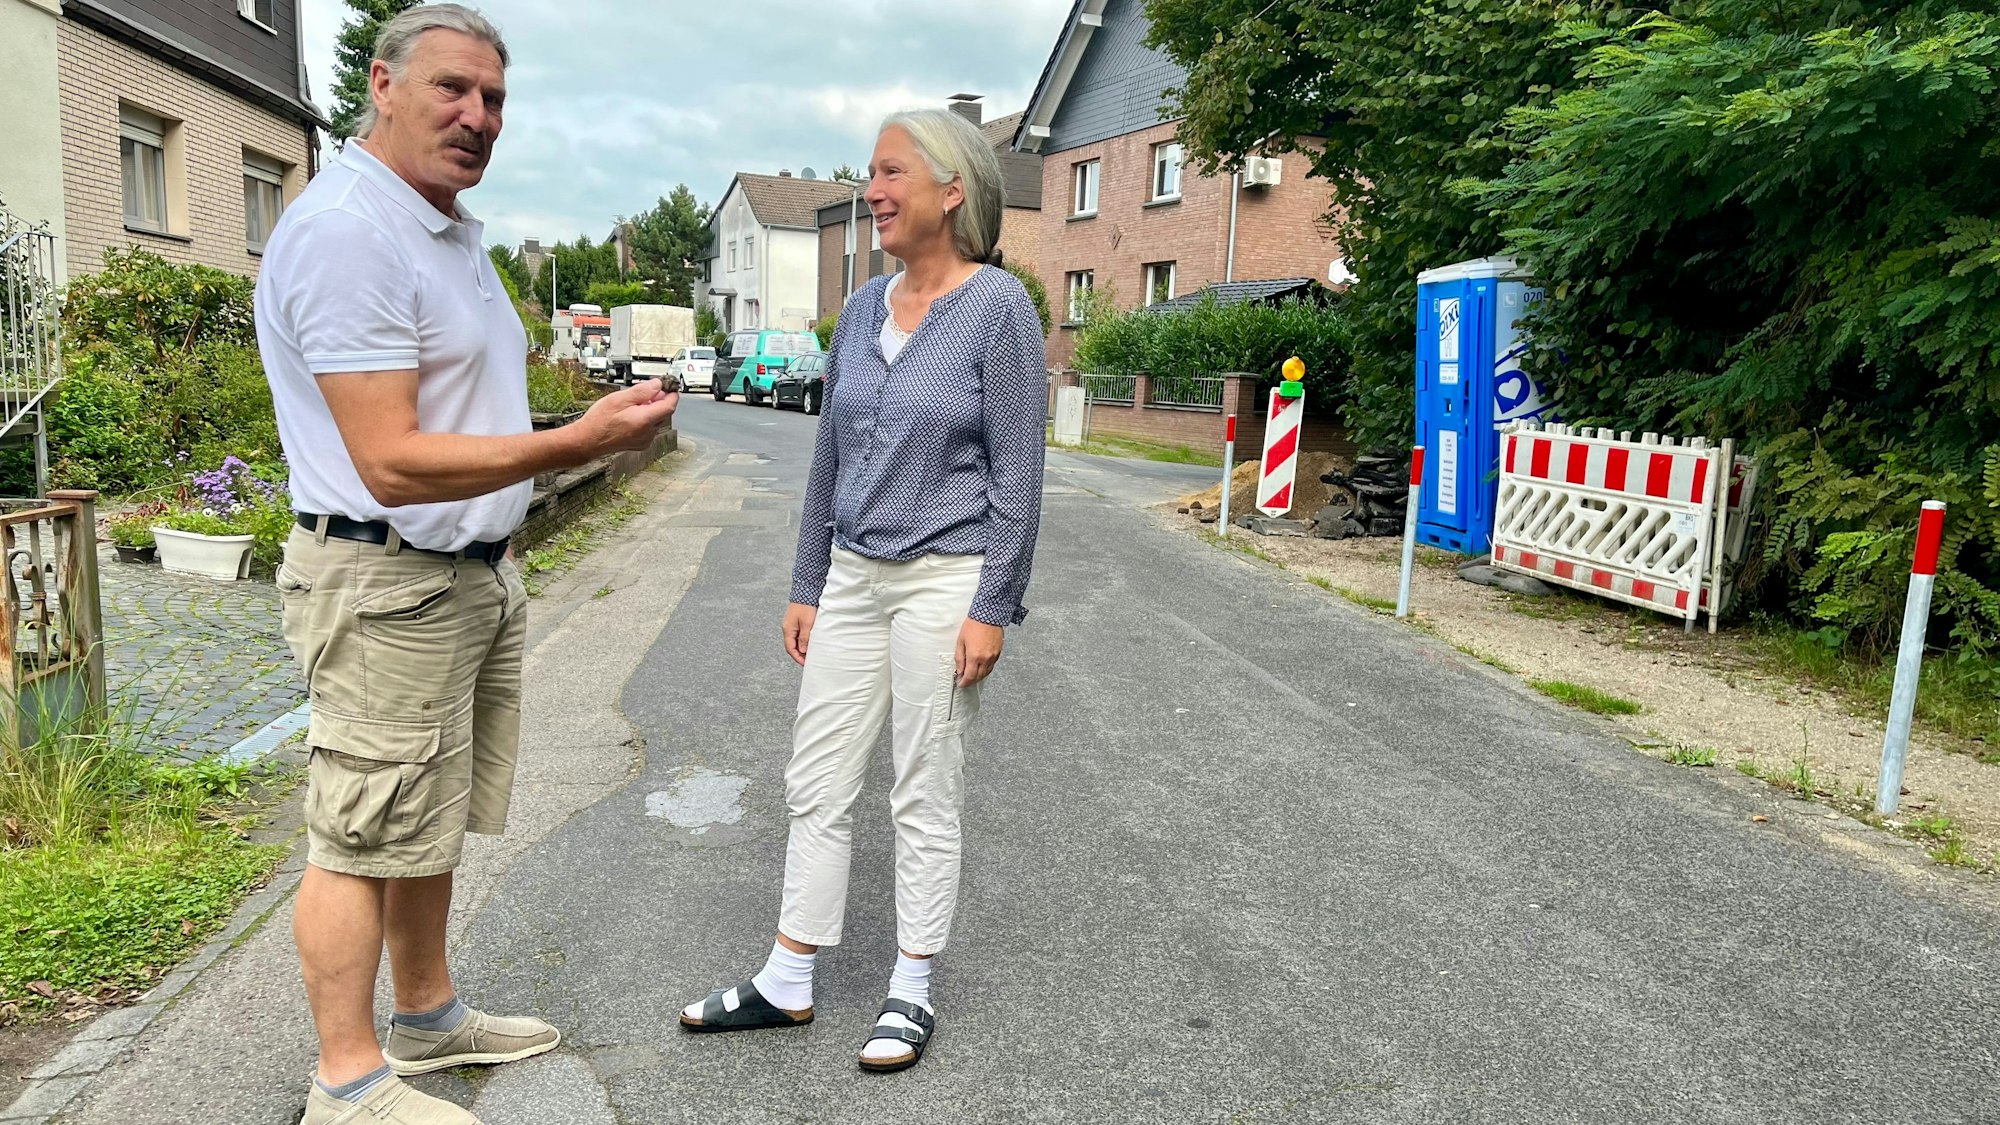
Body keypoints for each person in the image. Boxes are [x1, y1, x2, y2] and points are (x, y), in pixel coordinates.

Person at [252, 6, 677, 1123]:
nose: (478, 116)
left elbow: (460, 414)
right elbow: (390, 460)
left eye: (493, 98)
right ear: (382, 84)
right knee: (360, 829)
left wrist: (581, 430)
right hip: (385, 579)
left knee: (422, 812)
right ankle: (346, 1082)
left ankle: (426, 1017)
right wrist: (574, 442)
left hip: (461, 575)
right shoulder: (351, 232)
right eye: (452, 88)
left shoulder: (441, 228)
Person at [679, 108, 1046, 1073]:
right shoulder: (864, 309)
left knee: (923, 784)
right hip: (851, 576)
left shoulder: (1000, 307)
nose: (872, 192)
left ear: (952, 190)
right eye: (869, 174)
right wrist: (809, 578)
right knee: (817, 776)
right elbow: (829, 461)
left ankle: (911, 984)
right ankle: (788, 975)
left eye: (890, 173)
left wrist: (992, 604)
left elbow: (1019, 475)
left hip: (944, 579)